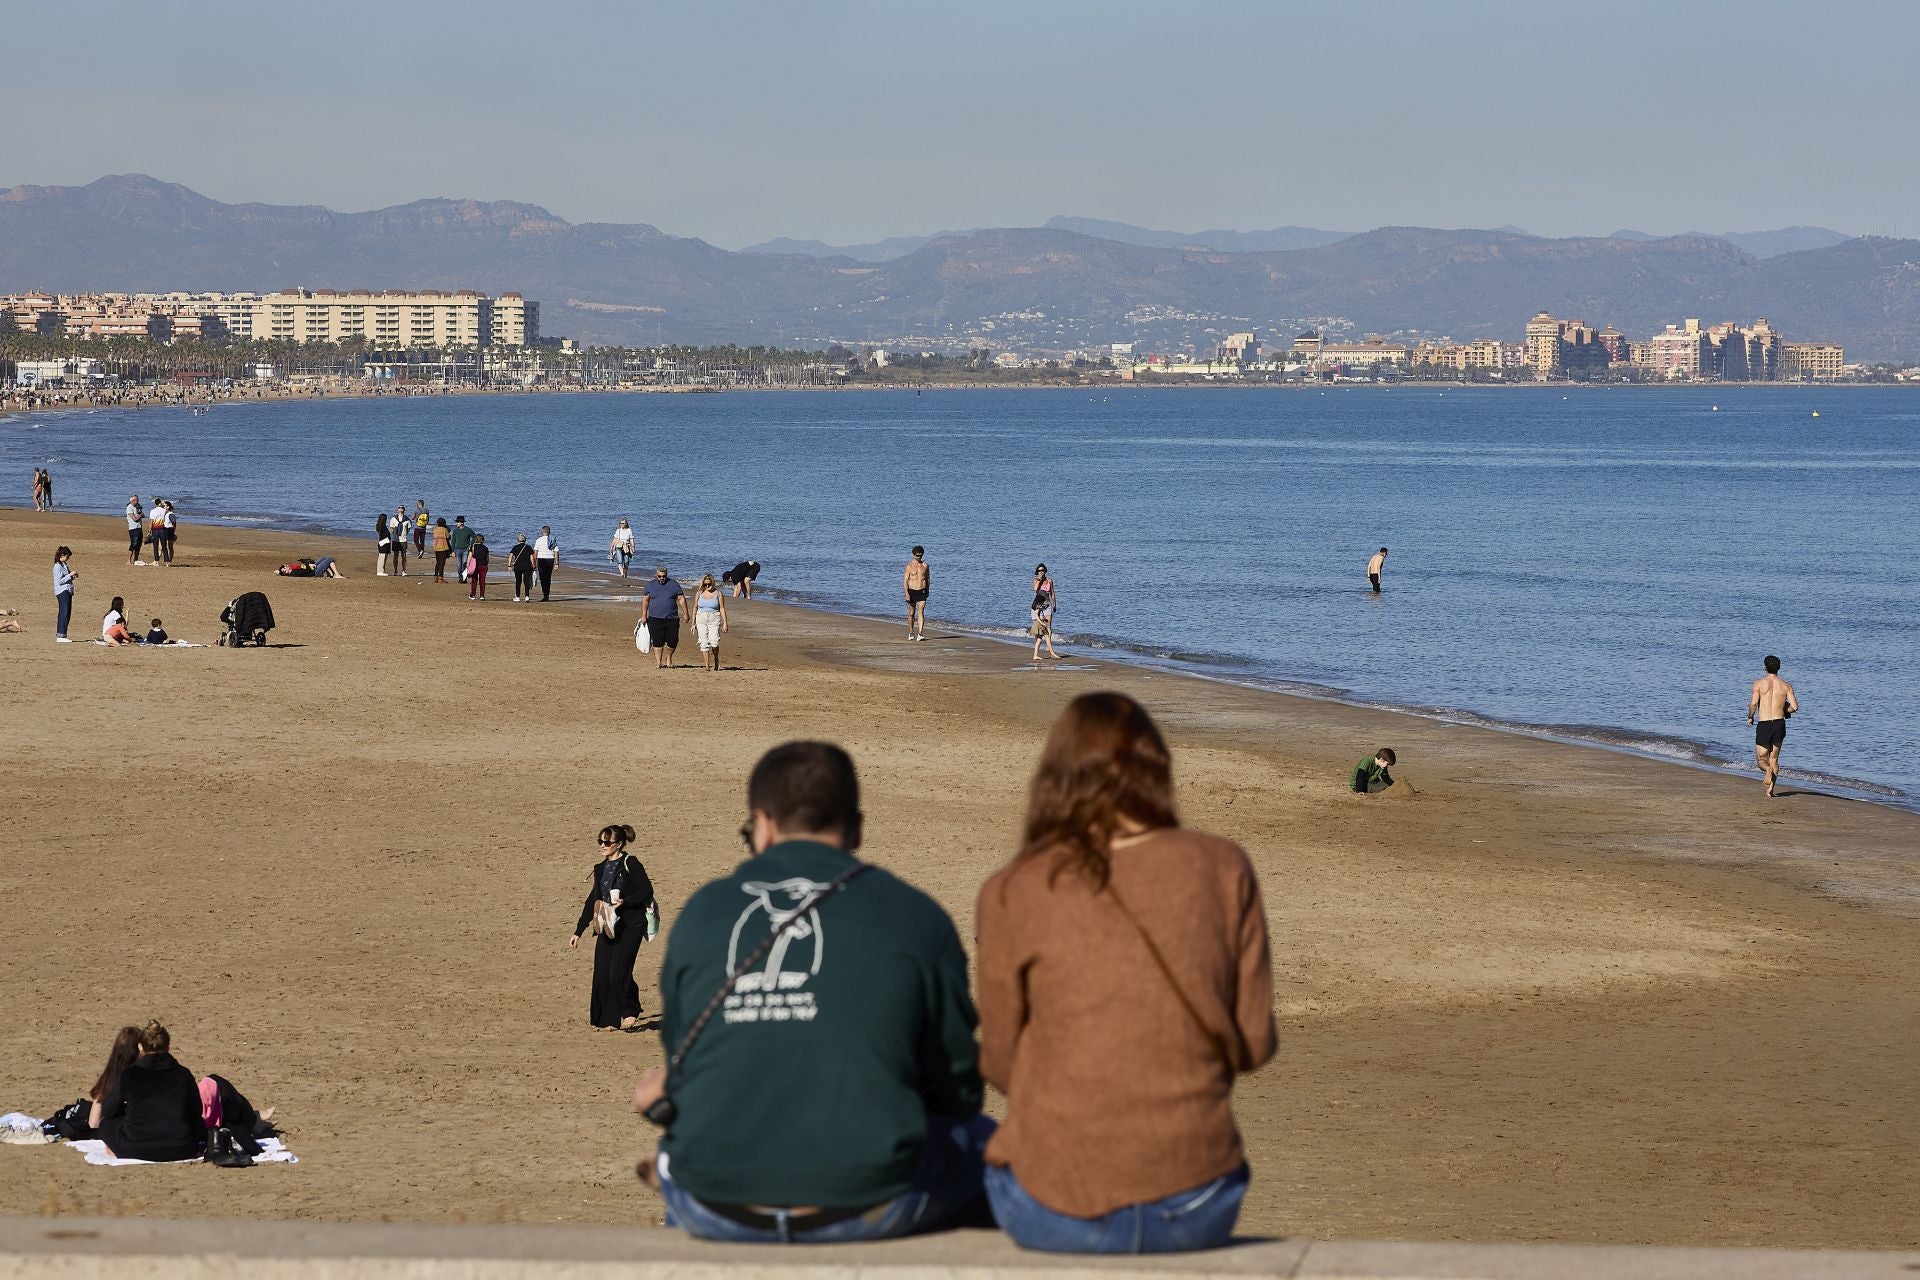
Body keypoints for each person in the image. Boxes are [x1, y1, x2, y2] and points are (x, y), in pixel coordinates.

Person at [634, 741, 990, 1243]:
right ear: (857, 828)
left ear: (762, 825)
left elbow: (684, 1060)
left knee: (688, 1150)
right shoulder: (915, 915)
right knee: (987, 1142)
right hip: (869, 1201)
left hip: (716, 1203)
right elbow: (958, 1089)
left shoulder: (703, 913)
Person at [976, 693, 1276, 1254]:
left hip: (1056, 1205)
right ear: (1156, 767)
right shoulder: (1223, 865)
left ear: (1056, 776)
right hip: (1198, 1198)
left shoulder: (1012, 889)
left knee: (976, 1149)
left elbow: (998, 1063)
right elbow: (1254, 1043)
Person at [569, 823, 656, 1032]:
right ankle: (607, 1020)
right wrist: (578, 930)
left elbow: (646, 890)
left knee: (618, 971)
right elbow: (593, 900)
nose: (602, 845)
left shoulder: (631, 864)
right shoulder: (600, 869)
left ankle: (630, 1010)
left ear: (618, 844)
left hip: (630, 924)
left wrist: (624, 902)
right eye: (600, 841)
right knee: (602, 973)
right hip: (606, 924)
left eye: (606, 842)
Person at [96, 1021, 205, 1162]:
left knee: (106, 1124)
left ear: (140, 1047)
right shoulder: (183, 1074)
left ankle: (115, 1148)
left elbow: (108, 1109)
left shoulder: (129, 1075)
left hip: (135, 1147)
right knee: (198, 1124)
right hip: (180, 1148)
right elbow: (196, 1111)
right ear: (168, 1047)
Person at [1747, 655, 1801, 799]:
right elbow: (1795, 707)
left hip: (1764, 724)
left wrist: (1750, 717)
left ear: (1765, 668)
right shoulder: (1786, 685)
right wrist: (1785, 710)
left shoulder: (1759, 683)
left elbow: (1753, 704)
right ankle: (1770, 790)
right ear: (1779, 668)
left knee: (1761, 760)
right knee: (1774, 758)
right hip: (1779, 724)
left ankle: (1767, 770)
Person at [642, 566, 687, 669]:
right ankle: (658, 663)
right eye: (659, 576)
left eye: (664, 576)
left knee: (673, 640)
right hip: (655, 618)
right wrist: (644, 615)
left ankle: (669, 658)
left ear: (667, 575)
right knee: (657, 641)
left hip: (672, 618)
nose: (662, 578)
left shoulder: (674, 584)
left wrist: (686, 613)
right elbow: (645, 600)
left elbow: (681, 599)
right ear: (656, 575)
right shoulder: (650, 585)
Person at [693, 573, 728, 672]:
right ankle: (707, 666)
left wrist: (725, 622)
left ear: (712, 582)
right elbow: (695, 607)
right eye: (706, 583)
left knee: (714, 643)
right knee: (703, 642)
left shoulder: (718, 593)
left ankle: (716, 658)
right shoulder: (699, 593)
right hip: (701, 618)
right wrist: (693, 622)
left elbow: (722, 608)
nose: (708, 586)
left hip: (714, 618)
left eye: (709, 583)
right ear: (703, 583)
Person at [1030, 564, 1059, 662]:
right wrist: (1039, 580)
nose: (1041, 572)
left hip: (1047, 604)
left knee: (1048, 627)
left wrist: (1055, 604)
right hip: (1038, 605)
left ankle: (1048, 647)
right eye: (1039, 571)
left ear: (1045, 571)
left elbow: (1052, 593)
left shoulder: (1050, 581)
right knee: (1039, 630)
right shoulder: (1035, 580)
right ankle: (1044, 649)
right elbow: (1035, 589)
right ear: (1037, 572)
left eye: (1042, 571)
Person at [903, 546, 930, 641]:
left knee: (921, 611)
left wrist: (927, 590)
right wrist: (907, 593)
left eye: (920, 555)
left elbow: (927, 578)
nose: (918, 557)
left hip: (922, 591)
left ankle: (920, 633)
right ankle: (911, 632)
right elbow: (905, 580)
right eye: (916, 555)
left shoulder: (926, 565)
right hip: (912, 591)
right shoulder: (909, 566)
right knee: (911, 613)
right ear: (913, 555)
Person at [52, 546, 76, 643]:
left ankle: (63, 635)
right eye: (67, 556)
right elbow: (59, 581)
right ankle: (60, 635)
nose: (68, 558)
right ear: (62, 555)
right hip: (62, 591)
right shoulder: (57, 566)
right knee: (64, 612)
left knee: (67, 613)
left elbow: (65, 578)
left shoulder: (64, 565)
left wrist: (72, 577)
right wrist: (70, 575)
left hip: (67, 590)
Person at [507, 534, 537, 603]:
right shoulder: (528, 547)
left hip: (517, 567)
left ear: (518, 540)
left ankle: (517, 597)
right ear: (525, 540)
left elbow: (510, 556)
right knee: (526, 582)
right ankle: (527, 597)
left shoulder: (515, 547)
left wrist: (509, 565)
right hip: (527, 567)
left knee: (518, 581)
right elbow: (532, 558)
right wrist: (534, 566)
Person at [533, 525, 560, 602]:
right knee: (548, 578)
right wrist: (557, 563)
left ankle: (545, 595)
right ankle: (547, 595)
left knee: (542, 578)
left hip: (541, 560)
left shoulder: (538, 540)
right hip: (550, 560)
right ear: (549, 532)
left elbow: (535, 552)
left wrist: (534, 563)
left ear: (542, 531)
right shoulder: (552, 540)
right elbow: (556, 552)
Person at [449, 516, 474, 584]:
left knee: (464, 564)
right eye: (457, 522)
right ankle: (460, 578)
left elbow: (474, 537)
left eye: (458, 522)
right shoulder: (455, 531)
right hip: (457, 550)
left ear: (461, 523)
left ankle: (464, 579)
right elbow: (453, 541)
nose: (456, 523)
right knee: (459, 565)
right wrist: (452, 551)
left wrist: (470, 545)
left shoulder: (468, 530)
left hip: (466, 550)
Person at [467, 534, 490, 601]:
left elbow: (470, 556)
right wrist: (486, 564)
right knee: (482, 581)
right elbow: (487, 558)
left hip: (475, 565)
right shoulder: (485, 548)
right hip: (483, 565)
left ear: (476, 540)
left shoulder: (473, 546)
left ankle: (473, 595)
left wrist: (468, 565)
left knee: (474, 580)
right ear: (482, 540)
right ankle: (482, 596)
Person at [125, 495, 146, 567]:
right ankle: (128, 560)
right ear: (132, 500)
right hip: (133, 528)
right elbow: (134, 518)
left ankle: (136, 560)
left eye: (138, 500)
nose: (138, 501)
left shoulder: (138, 507)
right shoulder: (129, 508)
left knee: (139, 544)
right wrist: (139, 516)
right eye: (137, 500)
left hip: (139, 527)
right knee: (133, 544)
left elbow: (143, 514)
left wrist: (140, 515)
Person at [157, 500, 178, 568]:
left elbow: (174, 523)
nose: (163, 507)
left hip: (169, 530)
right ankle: (157, 560)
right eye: (163, 506)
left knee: (170, 547)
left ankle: (169, 561)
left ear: (168, 507)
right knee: (161, 547)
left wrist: (173, 532)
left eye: (164, 506)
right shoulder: (163, 514)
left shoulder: (171, 514)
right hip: (164, 530)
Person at [392, 505, 411, 576]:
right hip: (396, 540)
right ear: (397, 510)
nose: (400, 508)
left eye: (402, 507)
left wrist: (404, 534)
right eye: (399, 507)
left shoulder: (407, 519)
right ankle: (395, 570)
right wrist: (395, 534)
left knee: (404, 556)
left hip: (403, 540)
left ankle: (404, 570)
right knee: (395, 556)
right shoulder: (393, 519)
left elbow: (409, 528)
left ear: (404, 510)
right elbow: (391, 528)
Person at [431, 517, 452, 582]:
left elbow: (434, 536)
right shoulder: (444, 529)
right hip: (443, 547)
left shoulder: (435, 529)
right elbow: (448, 537)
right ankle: (440, 577)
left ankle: (435, 576)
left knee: (437, 562)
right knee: (442, 563)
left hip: (436, 547)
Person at [375, 512, 393, 577]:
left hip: (382, 542)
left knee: (381, 557)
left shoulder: (379, 525)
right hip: (384, 542)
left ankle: (380, 570)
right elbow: (386, 534)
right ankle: (380, 571)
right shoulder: (382, 526)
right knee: (382, 557)